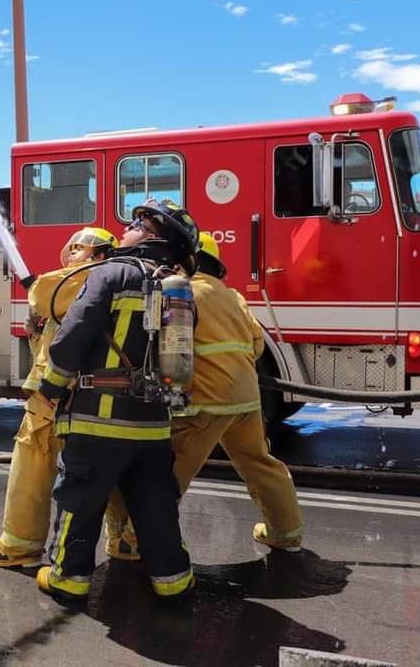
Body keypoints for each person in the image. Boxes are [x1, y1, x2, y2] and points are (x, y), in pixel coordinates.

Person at [35, 198, 200, 602]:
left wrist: (51, 388)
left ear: (151, 232)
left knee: (80, 498)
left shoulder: (110, 273)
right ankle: (173, 580)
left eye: (135, 221)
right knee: (155, 504)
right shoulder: (179, 290)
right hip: (154, 423)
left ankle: (68, 579)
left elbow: (72, 335)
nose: (125, 227)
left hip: (98, 419)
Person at [105, 233, 304, 554]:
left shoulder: (181, 294)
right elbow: (255, 345)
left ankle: (134, 540)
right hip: (247, 400)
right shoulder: (232, 296)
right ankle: (286, 532)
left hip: (203, 401)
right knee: (260, 463)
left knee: (169, 472)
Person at [0, 227, 118, 569]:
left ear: (99, 255)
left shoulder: (85, 277)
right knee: (111, 469)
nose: (71, 255)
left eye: (79, 249)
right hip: (99, 395)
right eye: (70, 249)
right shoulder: (119, 280)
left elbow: (42, 293)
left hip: (54, 394)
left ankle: (19, 546)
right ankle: (125, 540)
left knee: (33, 464)